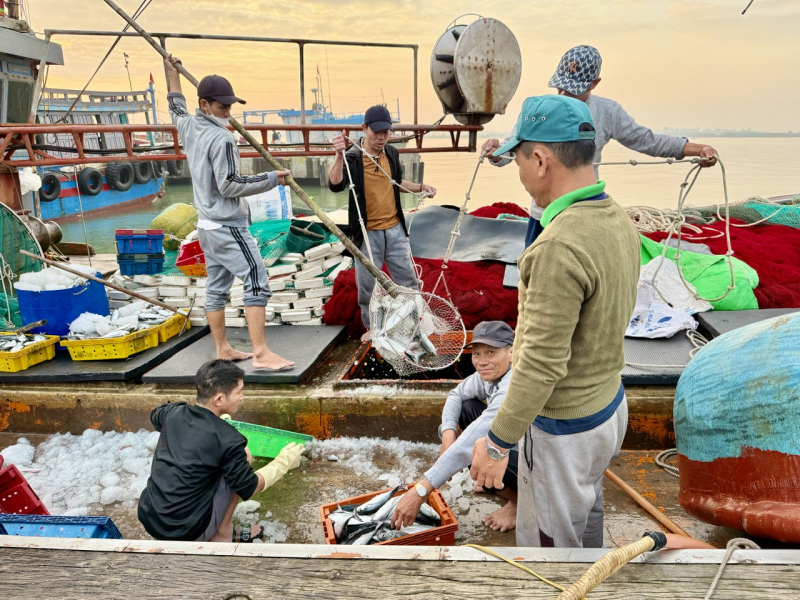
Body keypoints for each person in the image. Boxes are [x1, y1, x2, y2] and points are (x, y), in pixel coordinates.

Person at [470, 95, 640, 548]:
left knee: (550, 554)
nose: (521, 173)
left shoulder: (556, 248)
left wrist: (497, 442)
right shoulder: (618, 219)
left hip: (565, 431)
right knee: (586, 523)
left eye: (520, 160)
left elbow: (541, 363)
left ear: (541, 160)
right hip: (608, 407)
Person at [482, 45, 718, 246]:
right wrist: (495, 152)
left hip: (584, 214)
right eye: (560, 86)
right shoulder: (539, 109)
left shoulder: (607, 112)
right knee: (533, 272)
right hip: (543, 214)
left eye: (573, 90)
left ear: (594, 83)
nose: (564, 93)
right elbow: (510, 150)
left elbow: (647, 140)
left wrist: (697, 150)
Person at [164, 55, 293, 371]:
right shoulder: (222, 138)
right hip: (227, 225)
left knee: (217, 287)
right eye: (223, 107)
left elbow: (175, 106)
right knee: (257, 279)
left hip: (206, 226)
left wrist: (171, 73)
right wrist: (271, 179)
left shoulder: (190, 124)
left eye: (231, 107)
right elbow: (230, 185)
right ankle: (261, 354)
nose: (229, 113)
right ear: (205, 104)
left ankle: (222, 348)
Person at [138, 360, 305, 542]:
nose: (242, 397)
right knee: (245, 456)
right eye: (238, 392)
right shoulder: (228, 439)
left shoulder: (173, 413)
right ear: (218, 399)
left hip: (151, 518)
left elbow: (155, 414)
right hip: (188, 532)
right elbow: (248, 486)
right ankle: (222, 532)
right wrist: (284, 462)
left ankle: (217, 527)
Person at [391, 321, 519, 533]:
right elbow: (456, 395)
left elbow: (467, 445)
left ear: (512, 353)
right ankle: (496, 483)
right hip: (516, 445)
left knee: (476, 450)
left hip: (543, 463)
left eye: (491, 352)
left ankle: (519, 504)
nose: (482, 361)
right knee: (468, 407)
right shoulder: (489, 374)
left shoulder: (513, 384)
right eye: (476, 353)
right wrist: (447, 435)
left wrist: (420, 491)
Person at [328, 105, 437, 341]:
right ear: (364, 128)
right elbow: (335, 185)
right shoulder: (353, 157)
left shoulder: (392, 153)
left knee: (407, 280)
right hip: (367, 232)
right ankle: (372, 327)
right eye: (376, 132)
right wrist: (338, 155)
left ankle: (415, 321)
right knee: (367, 285)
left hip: (395, 228)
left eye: (386, 132)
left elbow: (396, 182)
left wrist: (421, 187)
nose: (381, 137)